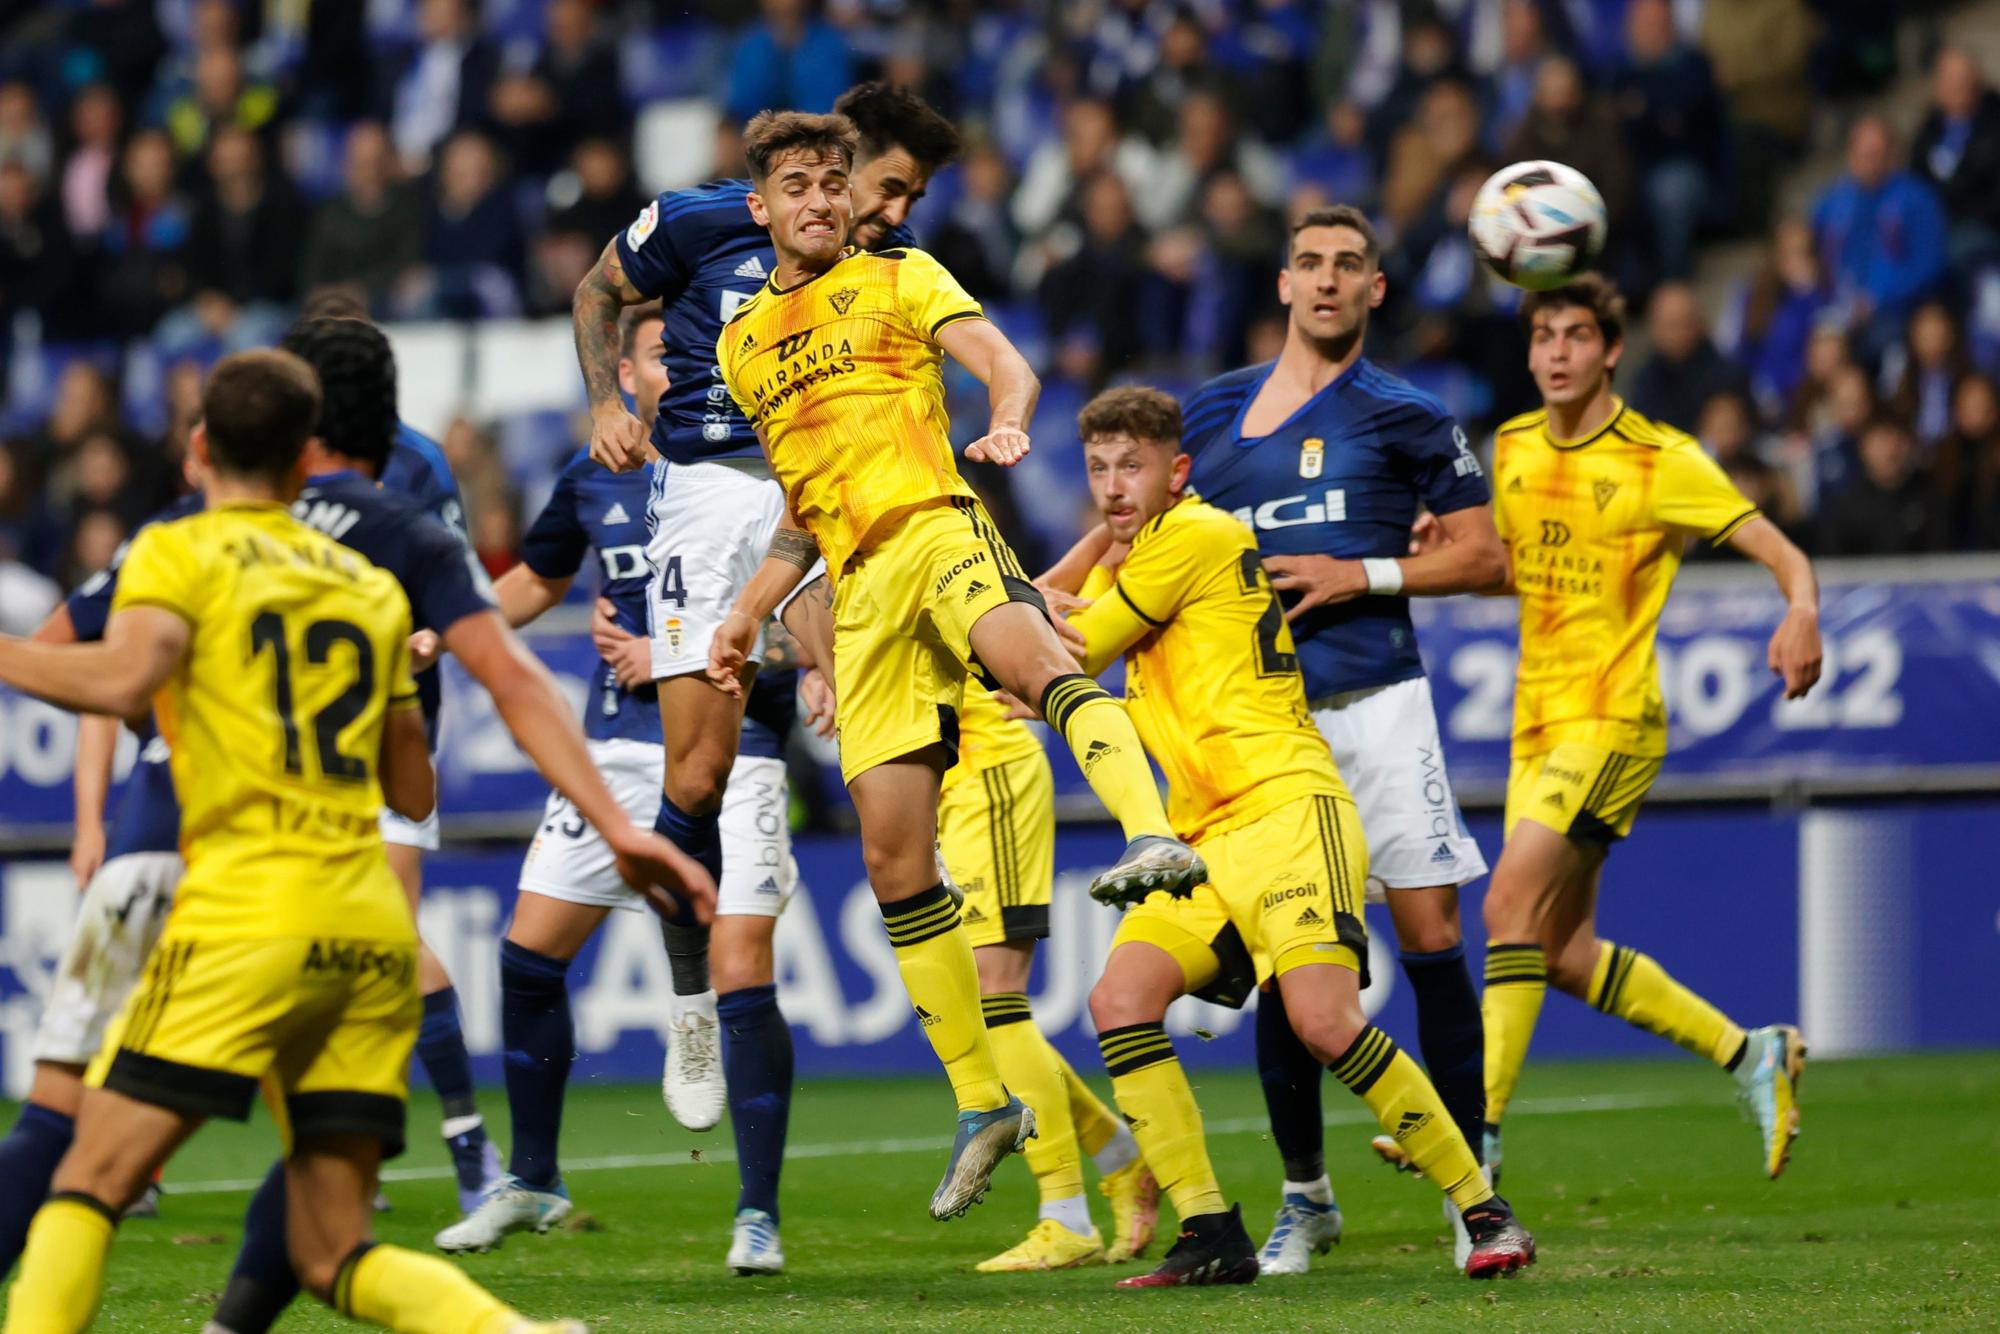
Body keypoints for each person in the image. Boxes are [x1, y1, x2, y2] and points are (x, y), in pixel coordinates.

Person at [0, 349, 589, 1334]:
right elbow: (413, 783)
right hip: (364, 926)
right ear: (304, 456)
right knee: (332, 1246)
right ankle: (512, 1332)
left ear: (197, 447)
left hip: (243, 906)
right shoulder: (366, 584)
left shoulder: (177, 547)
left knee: (87, 1172)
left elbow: (114, 678)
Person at [703, 110, 1206, 1220]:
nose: (824, 201)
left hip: (934, 522)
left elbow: (1000, 363)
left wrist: (1012, 419)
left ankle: (1147, 829)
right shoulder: (743, 350)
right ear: (761, 208)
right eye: (799, 185)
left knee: (1034, 666)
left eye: (836, 183)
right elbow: (802, 500)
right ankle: (980, 1098)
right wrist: (749, 609)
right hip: (861, 584)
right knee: (892, 857)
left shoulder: (901, 276)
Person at [201, 316, 713, 1334]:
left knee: (89, 1152)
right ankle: (491, 1168)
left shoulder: (212, 531)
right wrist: (616, 821)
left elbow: (125, 671)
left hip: (235, 862)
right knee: (316, 1163)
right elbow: (507, 665)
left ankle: (504, 1153)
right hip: (322, 827)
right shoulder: (402, 534)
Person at [1043, 385, 1534, 1287]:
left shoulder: (1197, 535)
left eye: (1134, 467)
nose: (1114, 487)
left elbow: (1061, 653)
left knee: (1322, 1022)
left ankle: (1483, 1207)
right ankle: (1209, 1233)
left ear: (1178, 472)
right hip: (1198, 840)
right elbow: (1044, 613)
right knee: (1119, 1002)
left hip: (1285, 810)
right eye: (1099, 469)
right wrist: (1101, 540)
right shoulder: (1135, 555)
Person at [570, 82, 962, 1143]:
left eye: (878, 196)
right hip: (706, 496)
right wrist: (608, 399)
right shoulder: (700, 222)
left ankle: (975, 977)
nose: (884, 211)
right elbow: (595, 292)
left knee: (903, 728)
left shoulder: (889, 264)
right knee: (692, 774)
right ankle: (689, 999)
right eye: (885, 188)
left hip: (830, 491)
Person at [435, 307, 817, 1276]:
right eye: (661, 353)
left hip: (741, 743)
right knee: (525, 958)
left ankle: (757, 1213)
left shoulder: (757, 475)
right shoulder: (594, 473)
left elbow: (805, 632)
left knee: (740, 964)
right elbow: (531, 579)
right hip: (614, 751)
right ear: (631, 372)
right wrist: (445, 630)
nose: (681, 367)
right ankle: (532, 1178)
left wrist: (676, 651)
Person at [1174, 205, 1506, 1274]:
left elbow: (1485, 557)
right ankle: (1304, 1195)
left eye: (1348, 265)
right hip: (1265, 730)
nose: (1326, 280)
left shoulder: (1405, 414)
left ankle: (1473, 1185)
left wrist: (1358, 573)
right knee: (1290, 960)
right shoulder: (1212, 414)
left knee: (1428, 936)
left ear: (1375, 290)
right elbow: (1142, 537)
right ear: (1281, 284)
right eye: (1308, 263)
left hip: (1377, 704)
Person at [1481, 274, 1820, 1186]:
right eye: (1543, 335)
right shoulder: (1510, 448)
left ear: (1611, 349)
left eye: (1576, 336)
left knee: (1506, 907)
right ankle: (1751, 1052)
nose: (1557, 353)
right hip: (1534, 726)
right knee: (1559, 952)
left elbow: (1781, 550)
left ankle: (1477, 1135)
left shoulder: (1658, 458)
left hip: (1613, 719)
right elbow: (1507, 570)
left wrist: (1802, 609)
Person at [943, 678, 1158, 1272]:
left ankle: (1067, 1217)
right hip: (945, 779)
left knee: (993, 1000)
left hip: (988, 770)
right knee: (973, 1006)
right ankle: (1119, 1154)